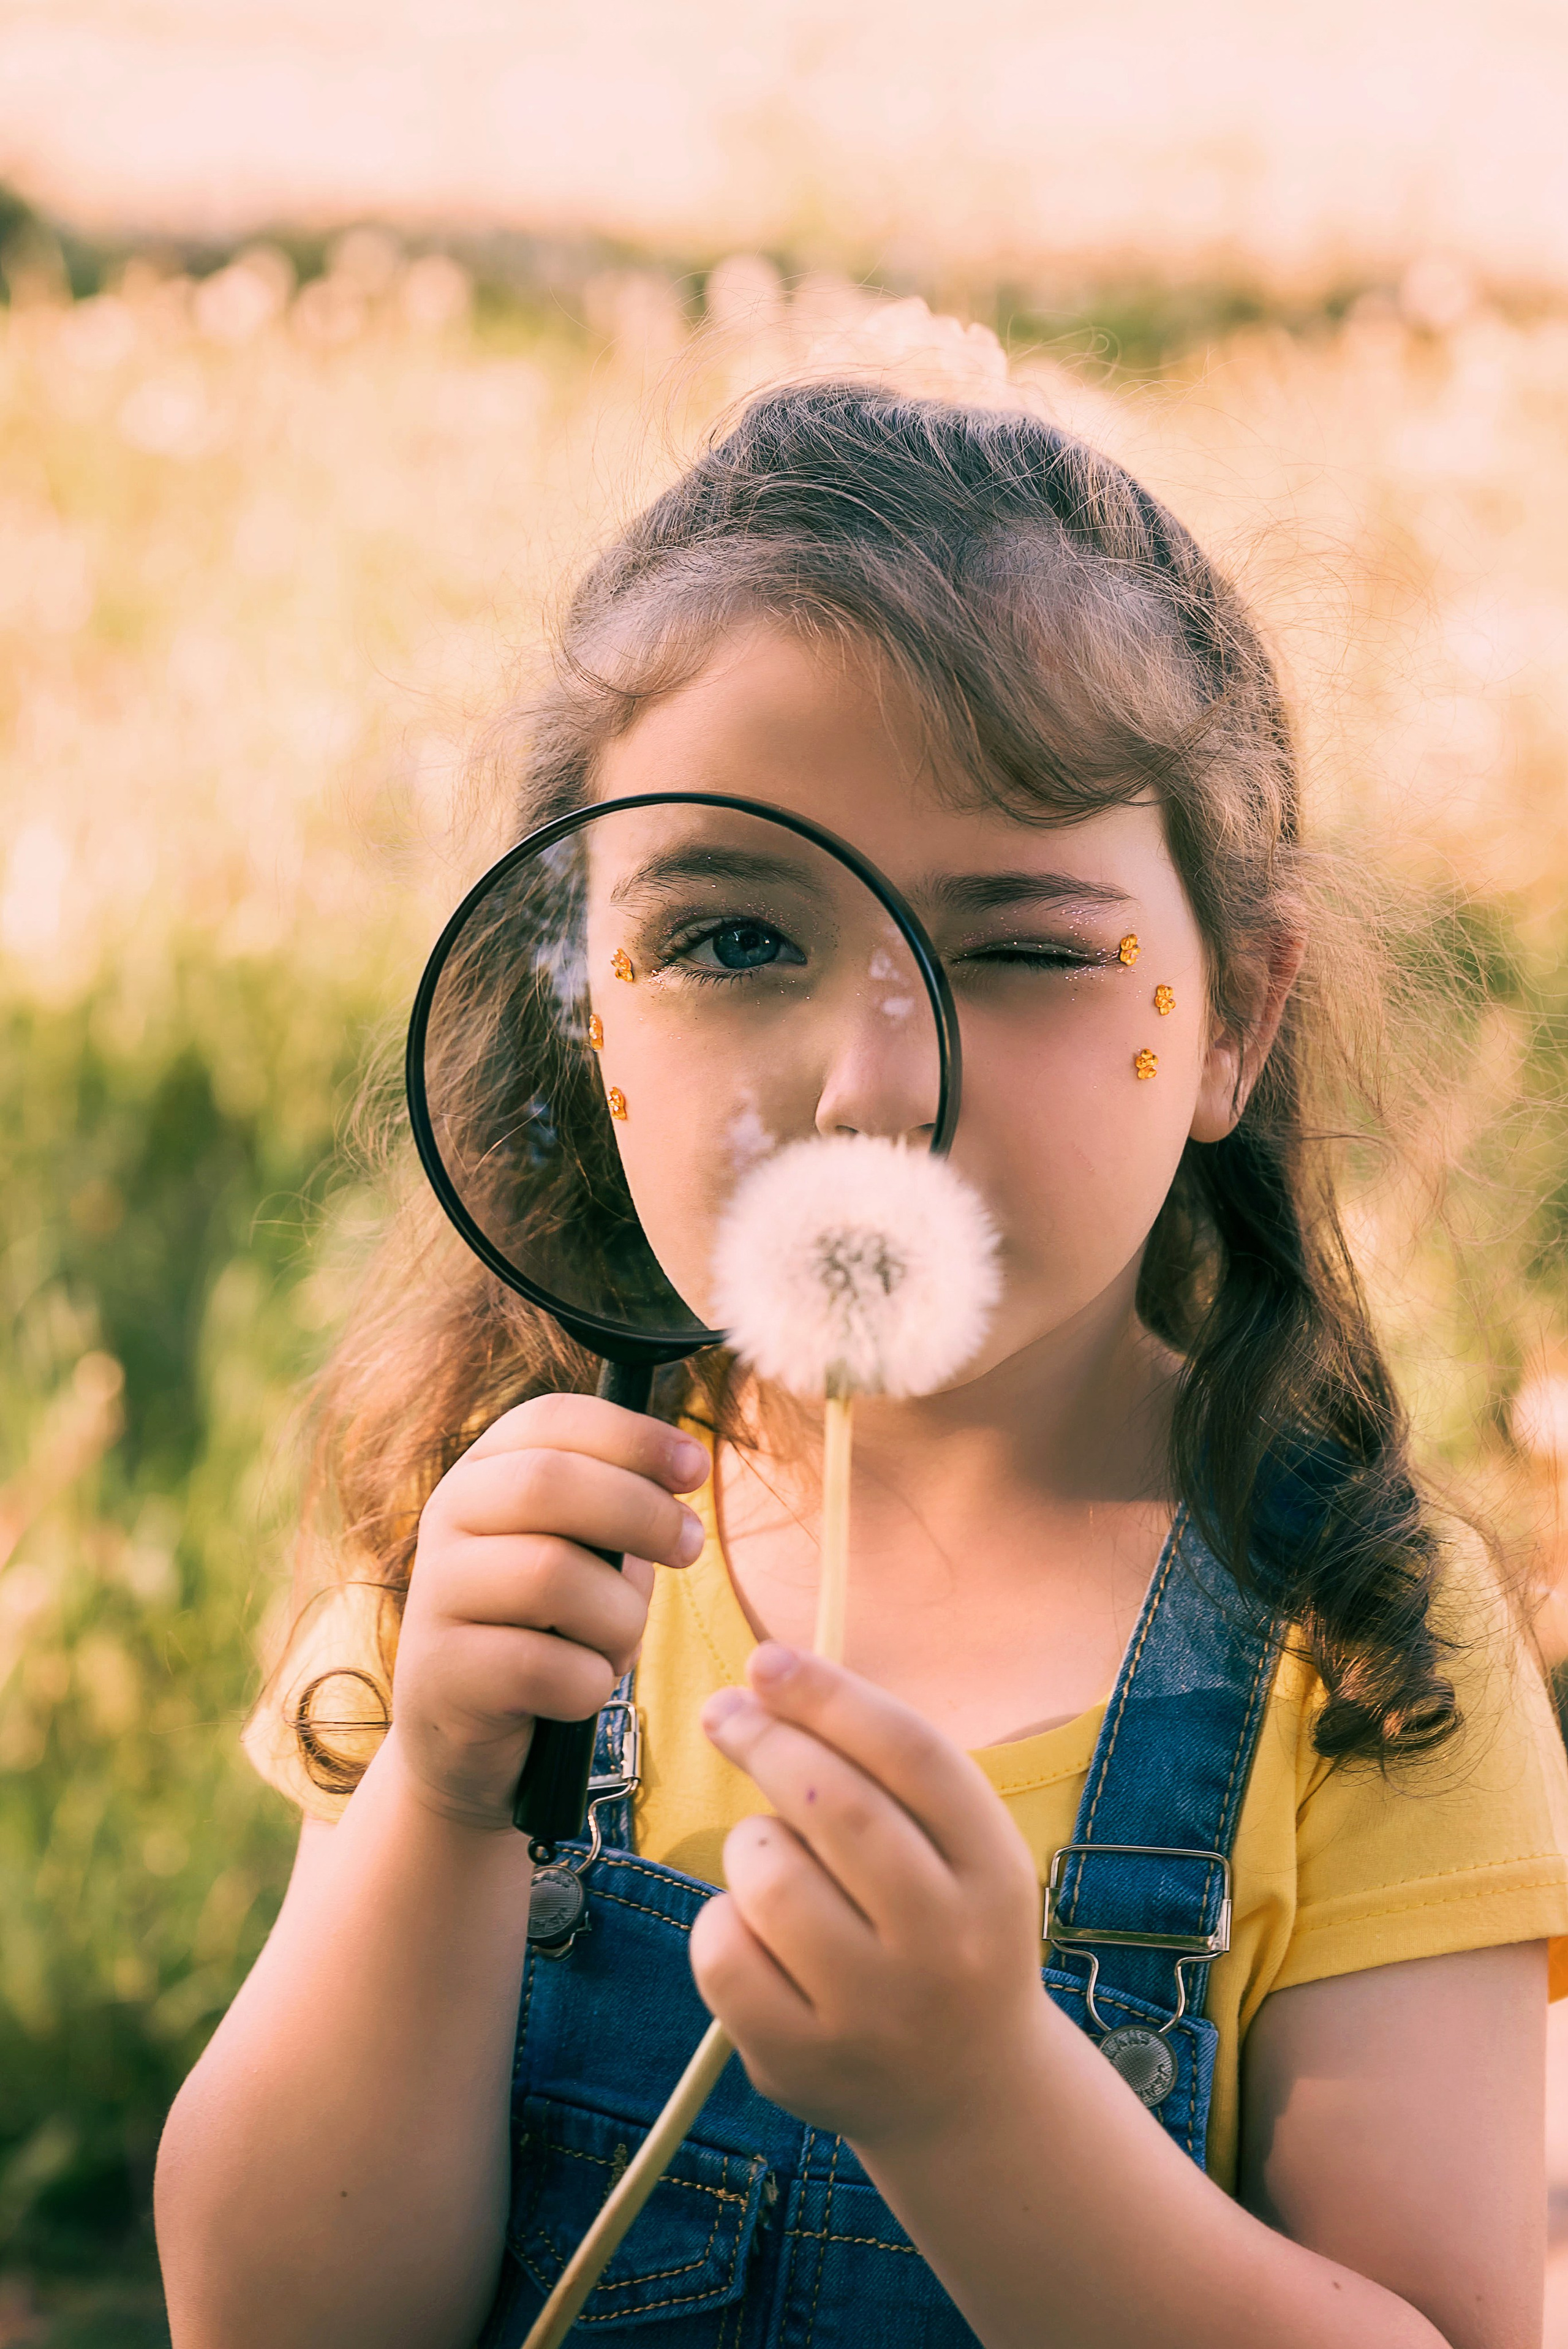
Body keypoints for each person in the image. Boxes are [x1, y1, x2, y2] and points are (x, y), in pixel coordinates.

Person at [155, 383, 1568, 2349]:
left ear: (1239, 1014)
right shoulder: (492, 1554)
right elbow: (273, 2312)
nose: (874, 1076)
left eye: (1024, 949)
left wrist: (979, 2102)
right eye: (733, 937)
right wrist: (435, 1803)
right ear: (585, 1012)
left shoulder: (1369, 1656)